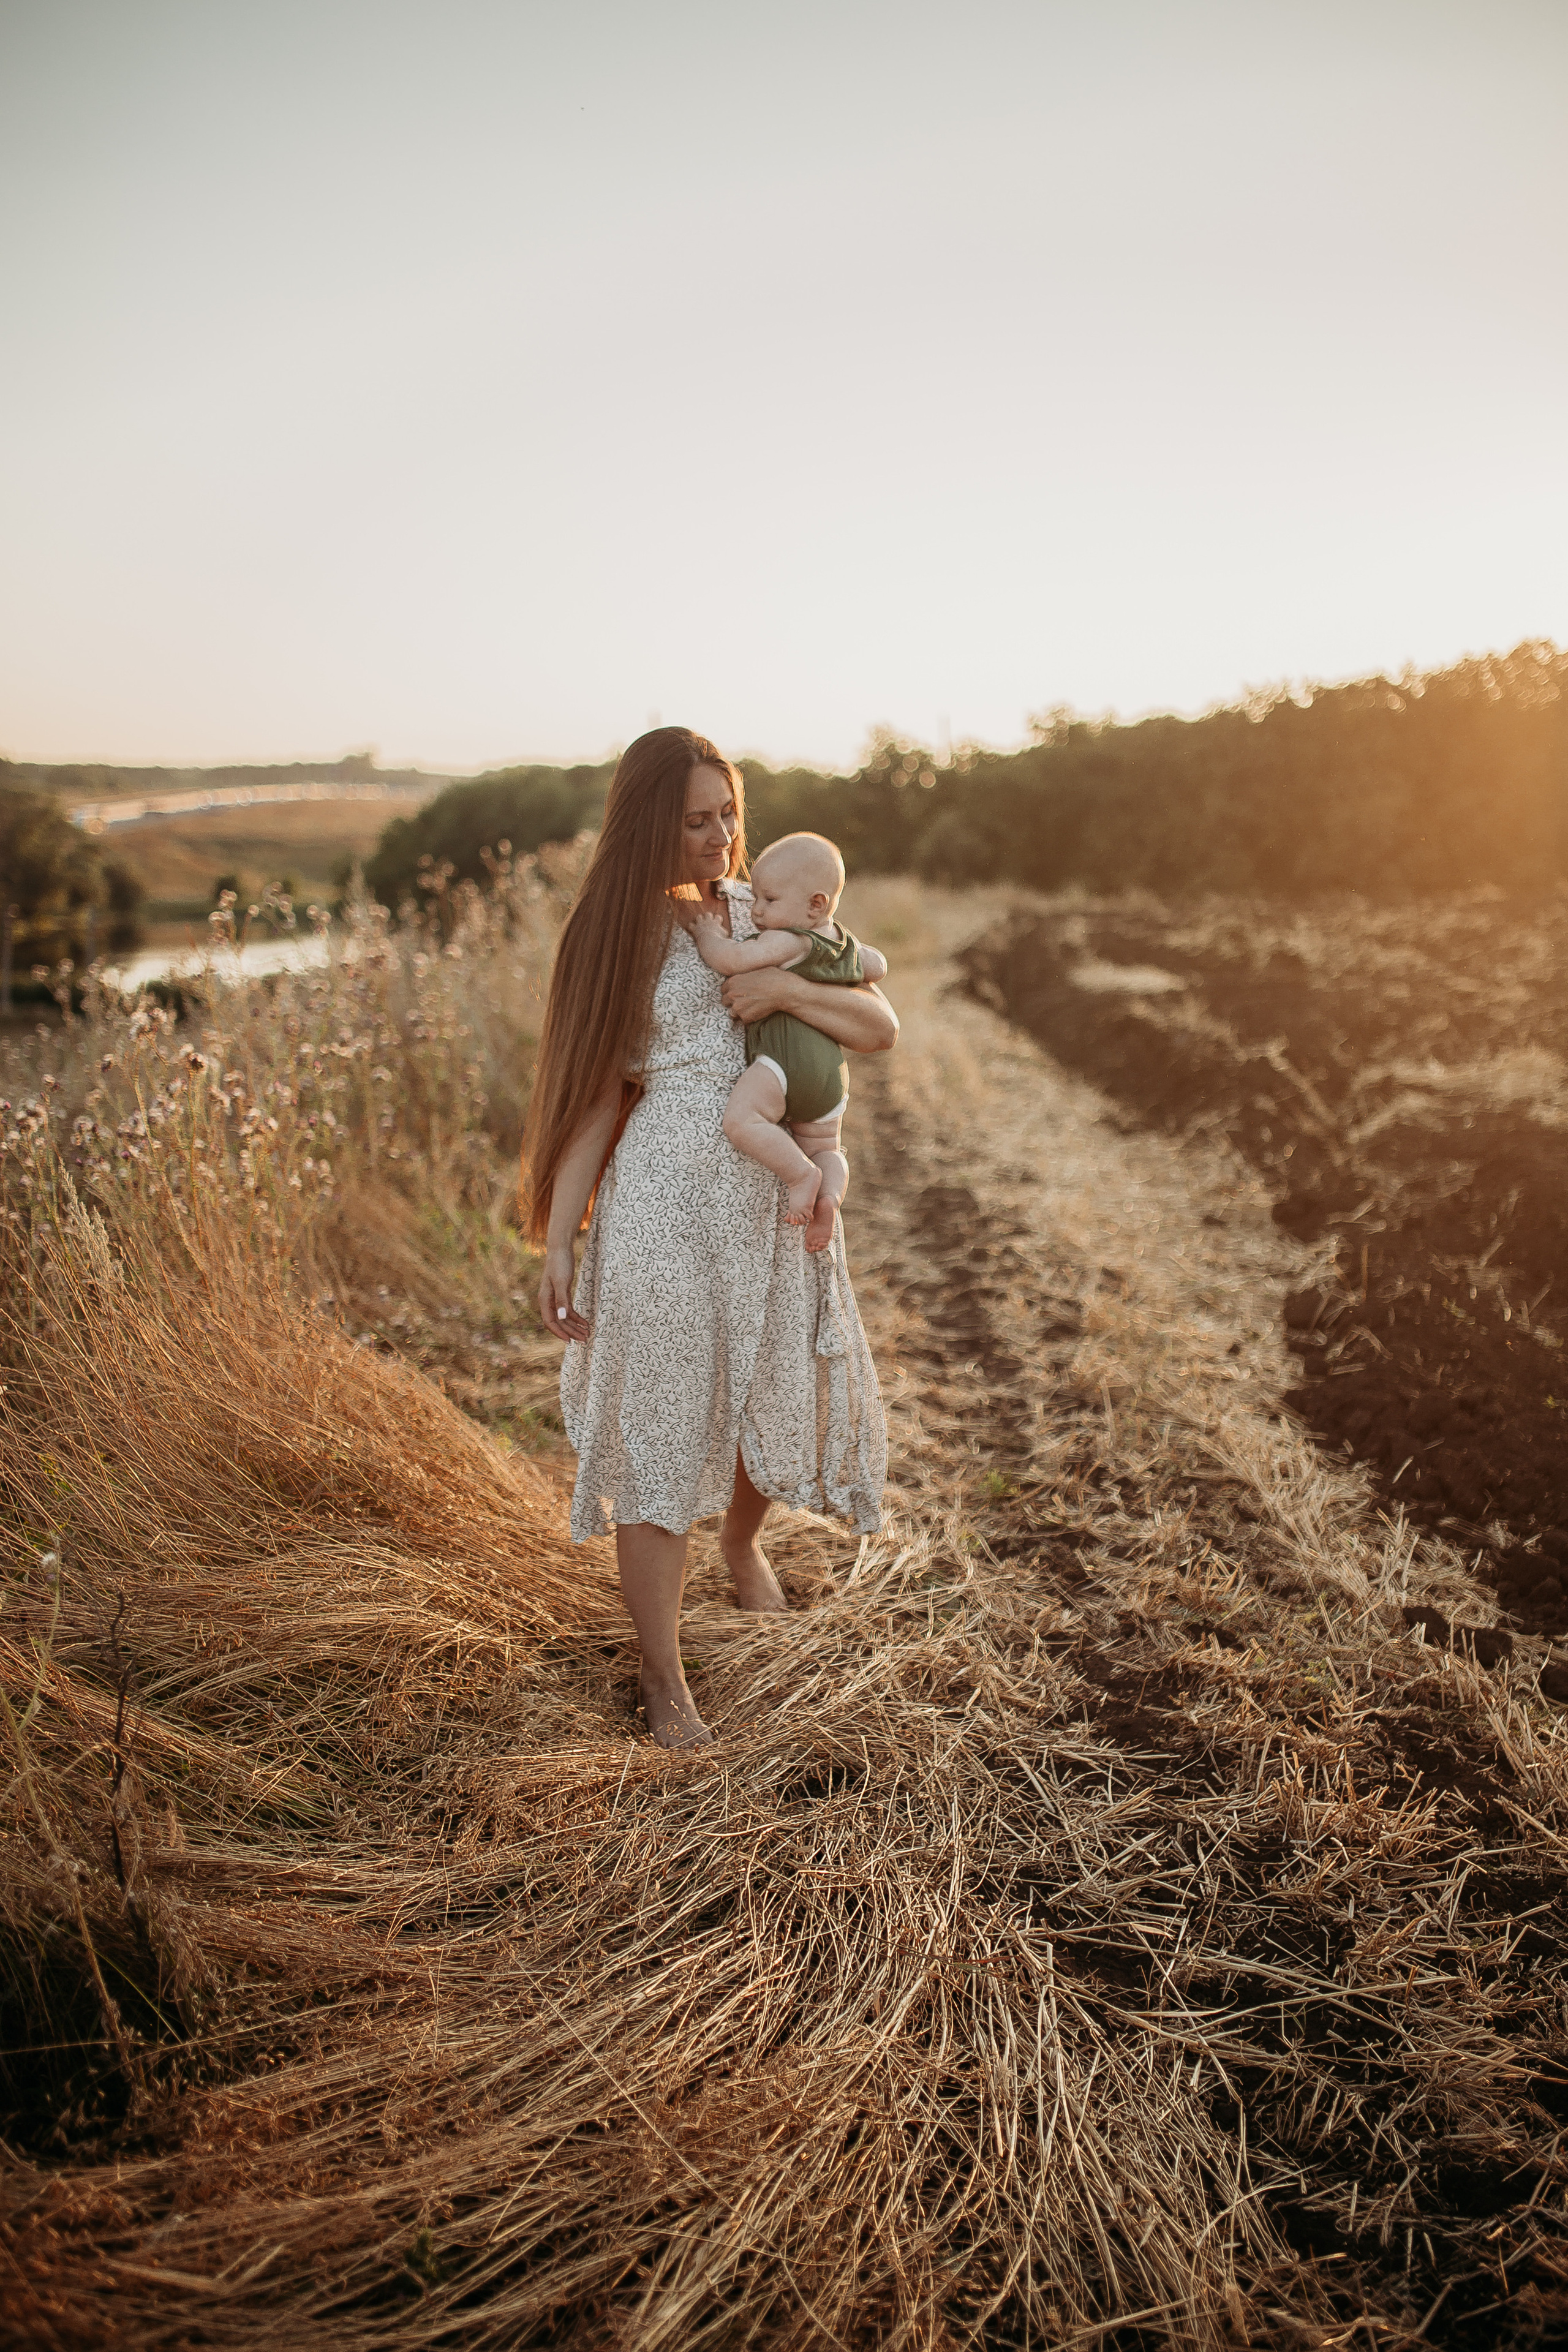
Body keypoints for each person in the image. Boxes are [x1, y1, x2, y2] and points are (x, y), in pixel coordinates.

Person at [523, 729, 895, 1749]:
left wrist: (787, 994)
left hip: (774, 1198)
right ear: (650, 821)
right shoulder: (610, 933)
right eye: (697, 819)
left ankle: (740, 1546)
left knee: (766, 1388)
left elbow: (873, 1028)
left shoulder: (762, 907)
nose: (722, 836)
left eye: (730, 811)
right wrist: (562, 1242)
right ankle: (662, 1680)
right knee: (662, 1426)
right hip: (662, 1201)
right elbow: (594, 1103)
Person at [688, 831, 886, 1254]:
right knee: (826, 1146)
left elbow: (732, 960)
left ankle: (800, 1176)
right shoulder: (843, 944)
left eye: (769, 900)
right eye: (756, 897)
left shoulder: (788, 939)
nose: (756, 910)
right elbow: (877, 965)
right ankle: (829, 1197)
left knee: (742, 1121)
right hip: (831, 1076)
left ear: (815, 904)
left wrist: (707, 936)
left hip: (783, 1062)